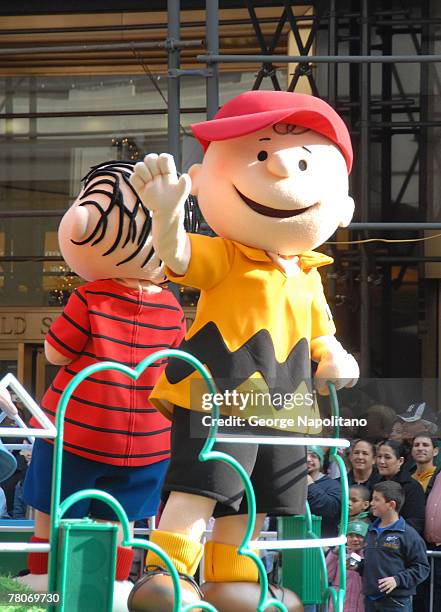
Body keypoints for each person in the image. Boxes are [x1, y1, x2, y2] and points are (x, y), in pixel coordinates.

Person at [127, 90, 359, 612]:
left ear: (342, 206)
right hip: (220, 392)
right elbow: (181, 256)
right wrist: (168, 216)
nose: (279, 166)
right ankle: (168, 574)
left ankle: (229, 576)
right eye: (260, 154)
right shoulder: (229, 255)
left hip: (284, 401)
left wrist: (334, 355)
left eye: (302, 160)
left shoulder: (308, 273)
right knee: (204, 482)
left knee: (251, 497)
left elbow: (320, 330)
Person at [17, 161, 186, 609]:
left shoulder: (90, 296)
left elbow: (56, 351)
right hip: (148, 439)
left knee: (52, 511)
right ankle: (113, 586)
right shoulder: (172, 308)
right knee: (123, 519)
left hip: (79, 429)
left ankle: (42, 582)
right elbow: (174, 363)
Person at [361, 481, 429, 611]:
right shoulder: (370, 530)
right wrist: (358, 565)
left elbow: (422, 567)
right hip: (370, 600)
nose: (371, 503)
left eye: (376, 499)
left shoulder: (408, 534)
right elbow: (375, 563)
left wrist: (397, 580)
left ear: (391, 504)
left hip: (395, 602)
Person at [376, 440, 426, 534]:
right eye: (379, 457)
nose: (381, 461)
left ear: (400, 461)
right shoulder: (376, 485)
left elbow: (415, 522)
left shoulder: (412, 487)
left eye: (387, 457)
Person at [326, 520, 367, 612]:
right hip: (340, 606)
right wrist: (334, 555)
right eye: (350, 535)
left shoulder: (369, 557)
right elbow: (326, 577)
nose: (355, 539)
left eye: (359, 536)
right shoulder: (339, 555)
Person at [307, 445, 341, 538]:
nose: (308, 459)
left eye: (313, 456)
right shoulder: (290, 485)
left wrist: (311, 486)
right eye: (304, 456)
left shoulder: (333, 485)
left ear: (320, 462)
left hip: (322, 541)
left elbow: (330, 510)